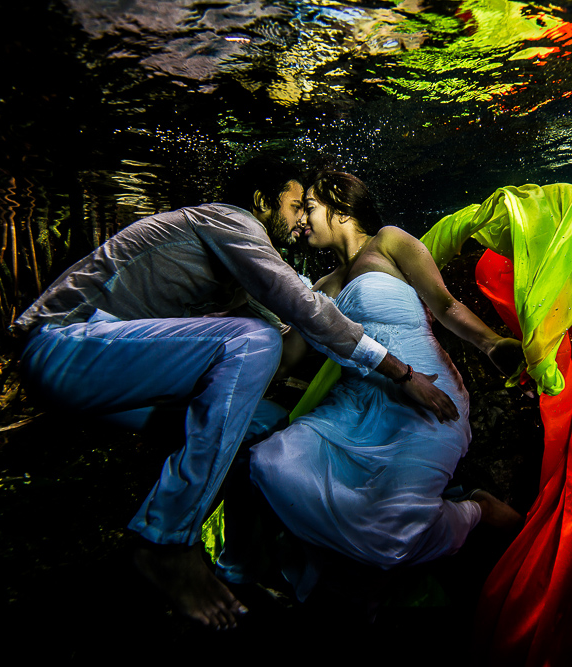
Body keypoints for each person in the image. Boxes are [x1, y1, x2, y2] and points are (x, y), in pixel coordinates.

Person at [13, 160, 460, 630]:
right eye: (293, 206)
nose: (299, 220)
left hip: (105, 375)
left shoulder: (231, 263)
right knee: (250, 340)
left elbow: (287, 322)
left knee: (266, 428)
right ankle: (164, 542)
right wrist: (399, 371)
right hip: (60, 346)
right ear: (263, 203)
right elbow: (296, 307)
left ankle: (241, 570)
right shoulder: (228, 221)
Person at [218, 171, 522, 598]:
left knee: (390, 534)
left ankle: (474, 509)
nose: (302, 221)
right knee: (271, 463)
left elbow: (446, 306)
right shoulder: (320, 288)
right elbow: (285, 363)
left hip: (427, 398)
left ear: (340, 207)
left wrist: (492, 345)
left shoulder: (390, 242)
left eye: (309, 208)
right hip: (352, 408)